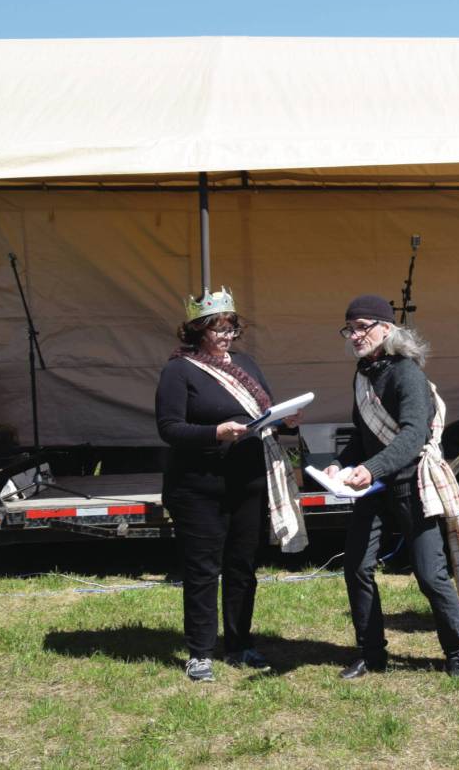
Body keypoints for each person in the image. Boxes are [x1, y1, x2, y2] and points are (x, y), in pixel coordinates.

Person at [325, 295, 459, 679]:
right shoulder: (362, 375)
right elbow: (362, 436)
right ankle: (371, 654)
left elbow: (413, 436)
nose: (355, 335)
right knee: (357, 569)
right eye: (350, 329)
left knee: (430, 575)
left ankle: (457, 652)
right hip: (373, 488)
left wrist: (371, 468)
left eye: (362, 327)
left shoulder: (406, 373)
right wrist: (339, 463)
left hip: (411, 484)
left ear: (386, 329)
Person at [155, 287, 307, 682]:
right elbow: (169, 428)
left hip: (248, 481)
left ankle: (240, 644)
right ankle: (200, 653)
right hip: (198, 486)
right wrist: (215, 433)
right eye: (217, 329)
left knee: (242, 567)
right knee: (203, 570)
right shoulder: (179, 370)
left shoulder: (246, 364)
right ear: (197, 330)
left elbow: (264, 411)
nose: (226, 336)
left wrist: (284, 421)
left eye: (231, 329)